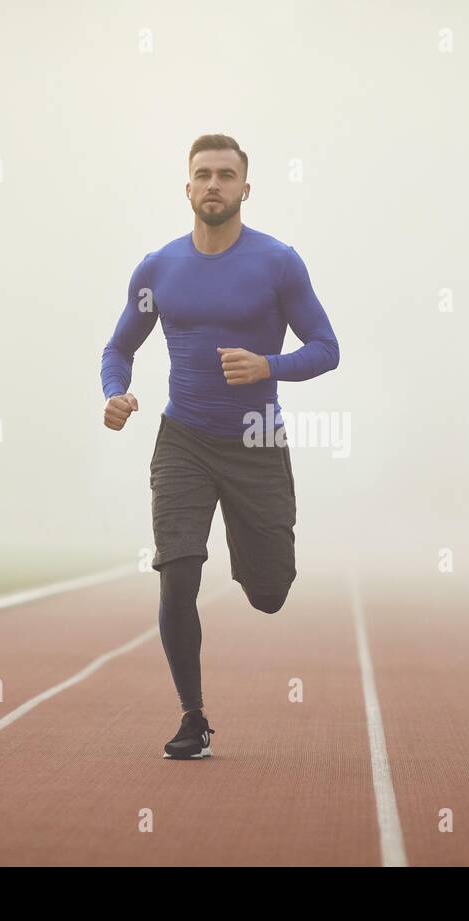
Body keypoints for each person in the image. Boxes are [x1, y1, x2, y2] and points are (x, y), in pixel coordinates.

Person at [100, 134, 340, 759]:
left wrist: (268, 366)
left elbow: (326, 348)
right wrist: (116, 393)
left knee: (268, 593)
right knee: (176, 576)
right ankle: (192, 716)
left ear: (244, 189)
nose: (213, 184)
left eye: (225, 175)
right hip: (182, 439)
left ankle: (253, 551)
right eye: (202, 174)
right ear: (187, 188)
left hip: (257, 442)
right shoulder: (159, 269)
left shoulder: (277, 263)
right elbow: (119, 347)